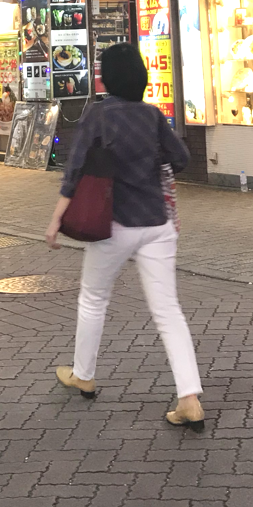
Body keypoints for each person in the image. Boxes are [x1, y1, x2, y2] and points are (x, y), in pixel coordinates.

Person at [45, 43, 204, 430]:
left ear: (107, 77)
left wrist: (55, 221)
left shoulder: (98, 115)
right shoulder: (152, 116)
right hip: (157, 223)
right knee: (168, 311)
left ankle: (84, 375)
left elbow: (75, 170)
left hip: (113, 225)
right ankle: (189, 398)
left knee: (94, 298)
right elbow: (180, 158)